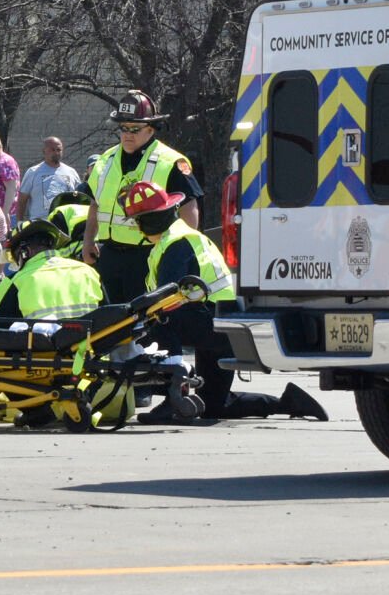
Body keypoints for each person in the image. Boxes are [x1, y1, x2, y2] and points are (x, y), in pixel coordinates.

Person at [120, 180, 327, 423]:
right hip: (221, 328)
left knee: (162, 320)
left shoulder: (176, 243)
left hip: (213, 323)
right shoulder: (178, 238)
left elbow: (167, 298)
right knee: (213, 406)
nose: (137, 228)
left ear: (146, 222)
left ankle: (174, 399)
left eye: (137, 222)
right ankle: (287, 402)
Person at [80, 90, 206, 305]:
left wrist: (180, 251)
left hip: (147, 254)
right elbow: (95, 204)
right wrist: (88, 240)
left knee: (145, 322)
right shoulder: (106, 159)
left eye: (135, 129)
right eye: (123, 128)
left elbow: (189, 208)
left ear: (150, 129)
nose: (128, 134)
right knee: (110, 320)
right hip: (108, 254)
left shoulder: (171, 161)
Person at [0, 218, 103, 322]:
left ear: (24, 252)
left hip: (40, 348)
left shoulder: (15, 281)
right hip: (90, 347)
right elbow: (107, 316)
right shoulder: (88, 271)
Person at [17, 136, 82, 221]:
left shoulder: (71, 172)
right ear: (44, 151)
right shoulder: (33, 172)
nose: (56, 152)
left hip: (65, 223)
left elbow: (79, 199)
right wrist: (19, 222)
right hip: (40, 224)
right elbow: (22, 200)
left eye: (59, 150)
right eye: (52, 150)